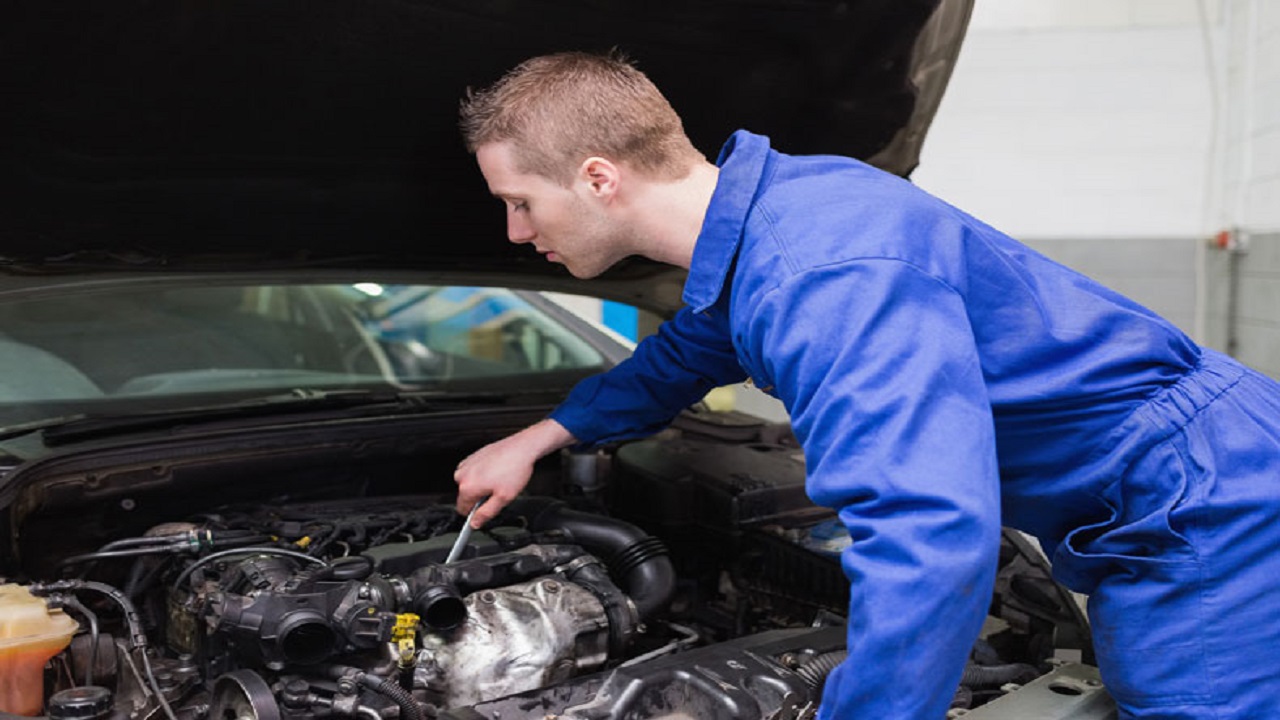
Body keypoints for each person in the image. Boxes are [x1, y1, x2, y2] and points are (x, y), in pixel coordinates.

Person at [453, 51, 1280, 719]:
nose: (515, 232)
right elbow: (687, 354)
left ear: (599, 178)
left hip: (1204, 507)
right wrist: (542, 436)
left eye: (520, 202)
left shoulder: (824, 276)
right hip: (1175, 480)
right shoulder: (776, 218)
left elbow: (933, 535)